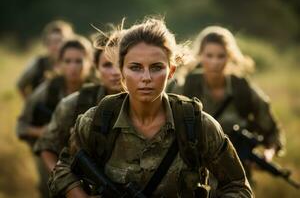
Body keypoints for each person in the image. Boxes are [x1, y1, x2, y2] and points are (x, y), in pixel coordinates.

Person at [49, 18, 253, 198]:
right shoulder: (97, 121)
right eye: (135, 68)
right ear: (121, 72)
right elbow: (63, 169)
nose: (146, 78)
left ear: (171, 71)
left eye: (156, 67)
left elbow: (238, 187)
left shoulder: (197, 125)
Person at [181, 26, 285, 183]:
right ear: (200, 56)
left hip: (237, 174)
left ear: (229, 57)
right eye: (209, 55)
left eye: (220, 56)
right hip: (194, 174)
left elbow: (272, 131)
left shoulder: (242, 88)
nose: (215, 62)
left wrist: (267, 155)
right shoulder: (187, 86)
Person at [33, 30, 122, 173]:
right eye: (107, 65)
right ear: (96, 67)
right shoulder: (74, 102)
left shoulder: (153, 105)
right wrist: (67, 184)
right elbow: (46, 146)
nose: (116, 72)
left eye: (121, 64)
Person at [16, 36, 93, 198]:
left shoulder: (97, 89)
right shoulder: (48, 89)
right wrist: (42, 131)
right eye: (67, 61)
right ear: (59, 64)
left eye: (79, 61)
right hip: (51, 153)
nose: (73, 67)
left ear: (89, 62)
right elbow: (21, 126)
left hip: (87, 157)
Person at [17, 20, 74, 99]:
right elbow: (21, 85)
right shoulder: (38, 63)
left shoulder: (74, 63)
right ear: (47, 44)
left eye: (61, 41)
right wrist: (31, 104)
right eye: (53, 42)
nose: (57, 46)